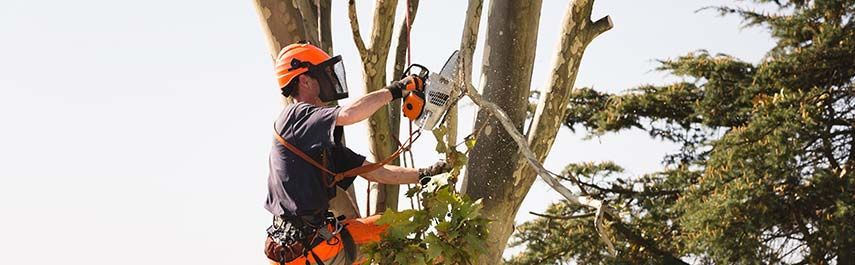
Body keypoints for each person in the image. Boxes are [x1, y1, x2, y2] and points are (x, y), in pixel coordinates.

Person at [263, 41, 450, 265]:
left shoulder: (316, 141)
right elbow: (350, 113)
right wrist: (397, 89)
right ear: (304, 79)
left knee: (386, 227)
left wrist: (426, 174)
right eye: (323, 74)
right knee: (400, 242)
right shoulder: (296, 116)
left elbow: (376, 172)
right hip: (306, 252)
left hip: (314, 244)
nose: (329, 80)